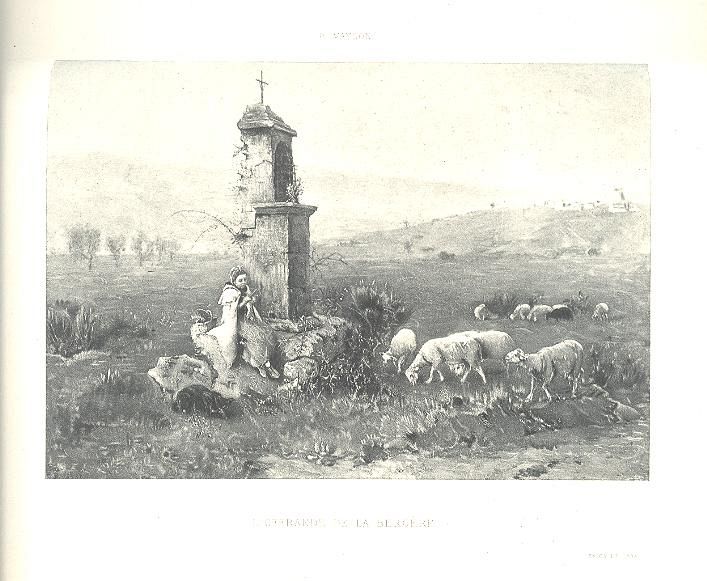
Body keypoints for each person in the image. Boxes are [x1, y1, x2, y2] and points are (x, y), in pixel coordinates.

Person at [207, 267, 279, 379]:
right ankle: (262, 365)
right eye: (240, 280)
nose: (243, 283)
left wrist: (250, 303)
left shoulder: (245, 289)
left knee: (266, 333)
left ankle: (267, 364)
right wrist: (245, 302)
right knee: (255, 337)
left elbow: (250, 305)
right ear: (234, 281)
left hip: (247, 320)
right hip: (238, 322)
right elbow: (233, 311)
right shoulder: (232, 293)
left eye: (245, 279)